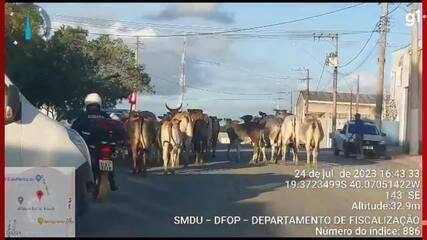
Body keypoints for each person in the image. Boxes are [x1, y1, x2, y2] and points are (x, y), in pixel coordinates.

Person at [71, 93, 119, 191]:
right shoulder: (104, 115)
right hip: (104, 144)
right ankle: (112, 181)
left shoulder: (83, 116)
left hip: (91, 145)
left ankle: (89, 182)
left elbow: (73, 130)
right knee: (107, 159)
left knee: (85, 162)